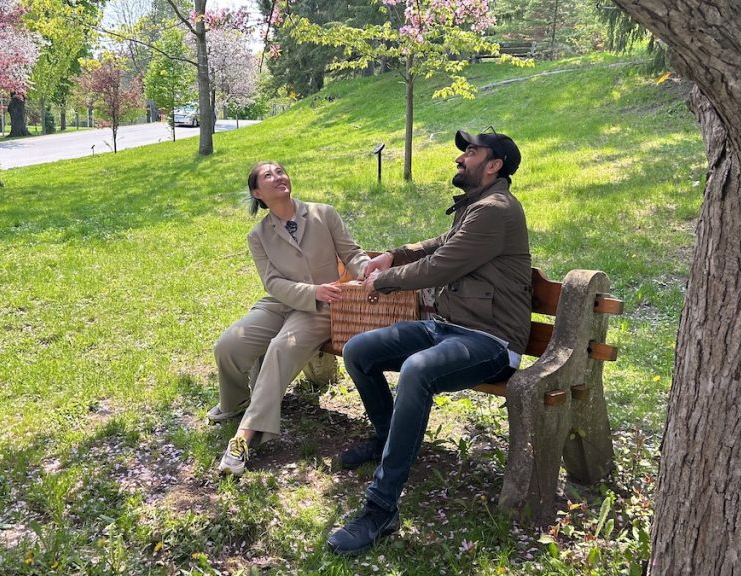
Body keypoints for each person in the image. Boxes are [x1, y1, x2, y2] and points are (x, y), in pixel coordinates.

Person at [326, 129, 532, 555]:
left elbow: (440, 265)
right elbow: (439, 243)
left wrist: (385, 280)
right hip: (448, 327)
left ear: (494, 165)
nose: (461, 159)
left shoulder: (496, 210)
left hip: (491, 341)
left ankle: (382, 508)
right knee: (358, 351)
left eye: (471, 152)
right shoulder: (476, 207)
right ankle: (388, 439)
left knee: (418, 372)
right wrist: (394, 254)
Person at [212, 161, 370, 477]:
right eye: (268, 175)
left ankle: (245, 435)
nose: (279, 176)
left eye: (281, 171)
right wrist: (311, 290)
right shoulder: (258, 235)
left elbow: (352, 254)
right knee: (228, 345)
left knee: (281, 348)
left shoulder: (324, 213)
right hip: (280, 302)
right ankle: (236, 402)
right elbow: (272, 282)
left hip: (322, 308)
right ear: (257, 193)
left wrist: (367, 270)